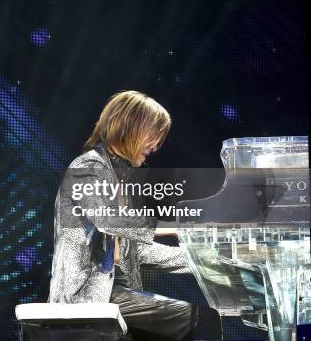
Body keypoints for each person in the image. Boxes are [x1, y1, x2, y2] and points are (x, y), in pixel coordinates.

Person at [49, 91, 209, 340]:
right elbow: (108, 220)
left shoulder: (120, 180)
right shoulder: (87, 168)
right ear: (129, 127)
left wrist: (205, 259)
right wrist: (179, 225)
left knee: (196, 321)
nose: (155, 147)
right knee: (197, 323)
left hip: (113, 296)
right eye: (153, 136)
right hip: (83, 298)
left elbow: (138, 250)